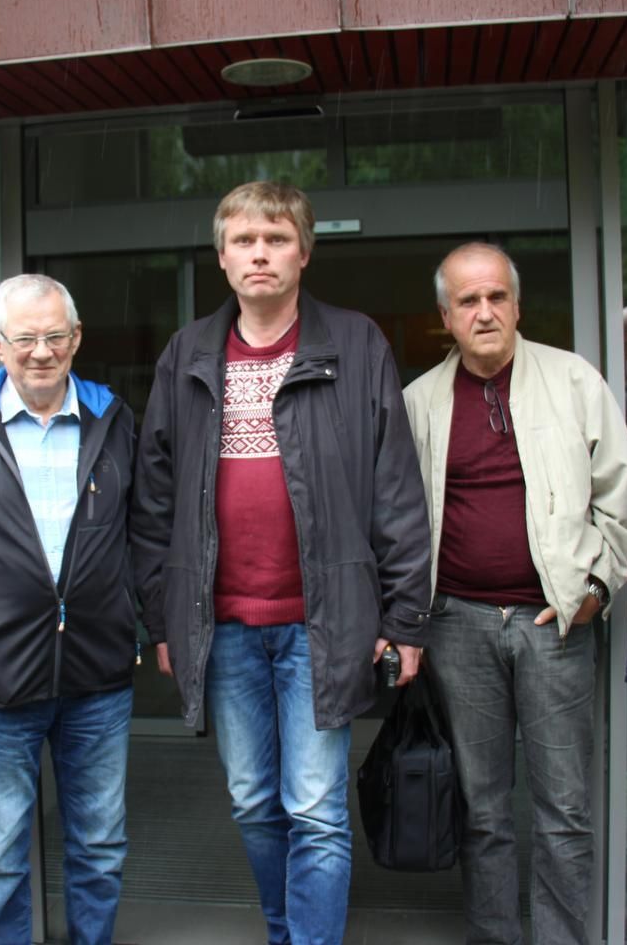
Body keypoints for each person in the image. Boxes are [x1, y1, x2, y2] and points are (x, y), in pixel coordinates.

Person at [130, 181, 432, 945]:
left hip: (323, 625)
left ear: (304, 251)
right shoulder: (188, 352)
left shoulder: (355, 343)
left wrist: (404, 618)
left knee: (316, 809)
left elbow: (396, 489)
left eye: (275, 238)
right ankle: (284, 930)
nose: (258, 252)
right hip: (222, 624)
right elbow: (155, 497)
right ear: (222, 257)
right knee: (253, 801)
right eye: (243, 240)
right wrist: (164, 614)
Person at [402, 243, 627, 945]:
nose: (485, 312)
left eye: (496, 297)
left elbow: (620, 498)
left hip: (555, 623)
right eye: (468, 301)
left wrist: (596, 585)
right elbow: (396, 515)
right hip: (458, 625)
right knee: (482, 807)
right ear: (445, 316)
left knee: (563, 806)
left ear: (517, 305)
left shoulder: (573, 381)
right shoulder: (418, 402)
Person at [0, 274, 137, 945]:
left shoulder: (114, 419)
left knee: (99, 845)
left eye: (53, 337)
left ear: (76, 339)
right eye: (23, 339)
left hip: (98, 675)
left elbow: (144, 527)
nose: (39, 352)